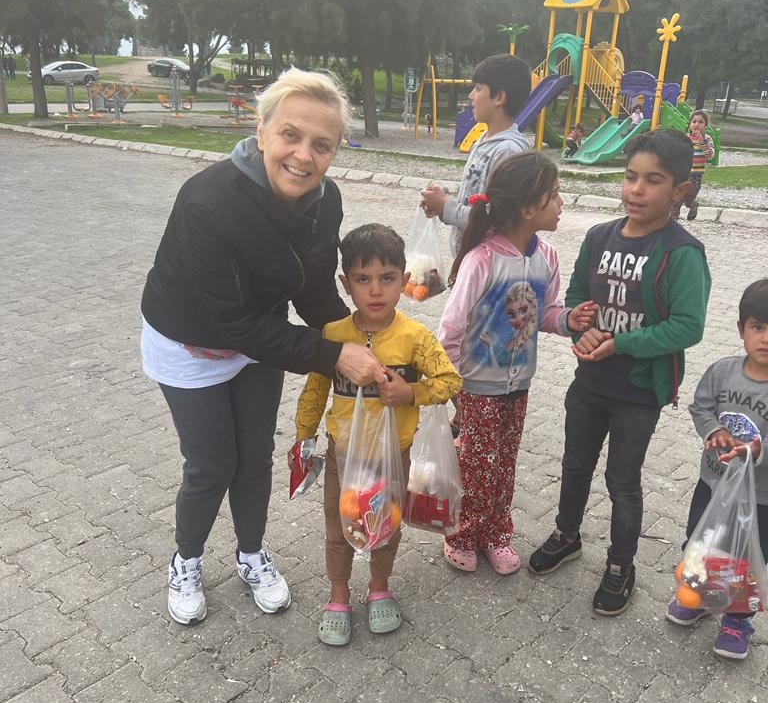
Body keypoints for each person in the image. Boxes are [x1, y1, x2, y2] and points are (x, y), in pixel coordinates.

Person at [140, 68, 388, 626]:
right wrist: (333, 355)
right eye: (290, 136)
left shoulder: (325, 201)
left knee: (254, 456)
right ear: (261, 131)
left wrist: (365, 337)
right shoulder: (208, 202)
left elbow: (314, 288)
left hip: (259, 340)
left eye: (321, 144)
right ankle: (186, 560)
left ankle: (250, 553)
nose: (304, 156)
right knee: (212, 463)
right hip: (191, 344)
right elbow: (232, 322)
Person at [527, 129, 712, 615]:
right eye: (631, 176)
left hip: (638, 391)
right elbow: (576, 297)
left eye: (653, 180)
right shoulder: (598, 236)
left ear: (680, 190)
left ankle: (620, 564)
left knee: (622, 481)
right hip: (589, 382)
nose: (637, 189)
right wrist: (581, 326)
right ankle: (567, 535)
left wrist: (622, 343)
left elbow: (687, 326)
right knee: (574, 464)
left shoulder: (682, 252)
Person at [291, 223, 461, 646]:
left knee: (386, 527)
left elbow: (450, 381)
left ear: (404, 280)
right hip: (343, 457)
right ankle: (338, 595)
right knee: (339, 528)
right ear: (345, 284)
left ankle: (379, 587)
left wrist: (411, 393)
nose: (376, 290)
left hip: (392, 458)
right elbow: (315, 391)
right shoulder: (334, 336)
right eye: (363, 279)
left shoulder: (415, 338)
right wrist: (304, 437)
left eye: (387, 278)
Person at [437, 152, 596, 575]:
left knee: (504, 465)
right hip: (476, 387)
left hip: (519, 385)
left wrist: (569, 320)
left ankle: (496, 534)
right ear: (528, 208)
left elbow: (545, 313)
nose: (561, 203)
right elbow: (449, 331)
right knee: (477, 467)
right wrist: (454, 390)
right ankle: (461, 535)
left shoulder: (548, 257)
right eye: (554, 195)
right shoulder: (482, 259)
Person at [666, 278, 768, 659]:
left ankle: (737, 620)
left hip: (760, 498)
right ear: (742, 329)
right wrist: (714, 430)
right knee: (700, 538)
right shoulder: (722, 372)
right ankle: (700, 597)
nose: (765, 338)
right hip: (713, 483)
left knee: (745, 557)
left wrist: (756, 449)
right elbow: (701, 406)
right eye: (758, 327)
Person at [420, 54, 531, 256]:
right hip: (470, 260)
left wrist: (445, 207)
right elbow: (476, 192)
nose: (471, 95)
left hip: (489, 265)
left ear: (499, 98)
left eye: (478, 88)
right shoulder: (483, 141)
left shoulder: (508, 151)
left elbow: (496, 218)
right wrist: (441, 199)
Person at [672, 109, 715, 222]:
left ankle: (693, 205)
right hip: (682, 174)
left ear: (705, 125)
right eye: (694, 121)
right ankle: (673, 222)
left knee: (689, 200)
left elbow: (710, 155)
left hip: (696, 175)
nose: (697, 124)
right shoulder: (685, 138)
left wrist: (702, 142)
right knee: (677, 199)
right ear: (690, 124)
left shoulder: (707, 139)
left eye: (700, 122)